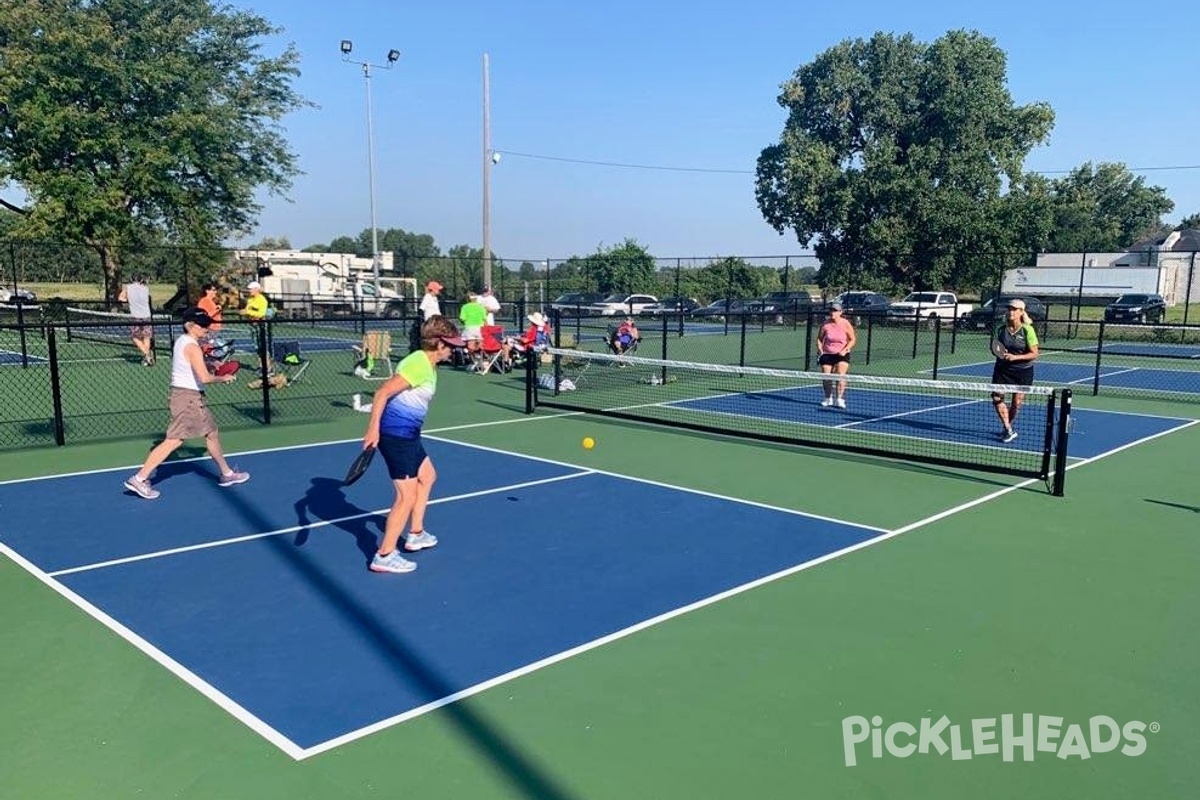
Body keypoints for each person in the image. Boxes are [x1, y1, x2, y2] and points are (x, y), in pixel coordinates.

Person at [361, 315, 465, 574]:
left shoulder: (428, 364)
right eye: (450, 344)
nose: (453, 349)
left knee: (427, 476)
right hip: (396, 437)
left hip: (409, 435)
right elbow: (382, 392)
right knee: (405, 496)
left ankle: (416, 533)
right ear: (438, 343)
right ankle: (384, 554)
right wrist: (373, 429)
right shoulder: (418, 363)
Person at [122, 307, 249, 500]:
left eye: (207, 324)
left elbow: (194, 366)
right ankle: (139, 479)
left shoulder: (183, 341)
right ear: (191, 326)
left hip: (189, 397)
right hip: (187, 399)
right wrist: (222, 377)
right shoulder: (192, 346)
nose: (207, 328)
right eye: (203, 325)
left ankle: (227, 474)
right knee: (175, 440)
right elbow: (205, 378)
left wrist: (211, 365)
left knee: (212, 433)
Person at [991, 298, 1039, 443]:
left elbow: (1034, 353)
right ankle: (1007, 428)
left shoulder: (1027, 330)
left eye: (1014, 309)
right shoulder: (1000, 328)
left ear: (1021, 312)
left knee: (1016, 403)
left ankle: (1008, 427)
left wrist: (1015, 358)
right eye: (1009, 309)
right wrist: (1000, 352)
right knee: (996, 398)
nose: (1010, 312)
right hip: (1002, 369)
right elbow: (994, 347)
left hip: (1023, 371)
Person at [816, 301, 856, 409]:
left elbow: (852, 339)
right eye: (831, 310)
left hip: (842, 353)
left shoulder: (846, 324)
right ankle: (828, 398)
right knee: (826, 376)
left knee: (840, 375)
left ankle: (840, 399)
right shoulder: (825, 324)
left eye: (835, 310)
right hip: (827, 353)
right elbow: (819, 339)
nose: (832, 312)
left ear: (840, 312)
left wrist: (846, 349)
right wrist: (820, 348)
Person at [118, 275, 155, 366]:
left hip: (136, 316)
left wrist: (128, 299)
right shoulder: (145, 288)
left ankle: (147, 354)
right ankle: (147, 357)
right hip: (146, 315)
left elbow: (120, 298)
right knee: (146, 336)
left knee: (135, 337)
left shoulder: (128, 288)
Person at [241, 280, 272, 371]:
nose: (249, 291)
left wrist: (247, 312)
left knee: (263, 347)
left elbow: (261, 313)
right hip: (252, 325)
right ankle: (261, 366)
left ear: (257, 289)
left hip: (260, 325)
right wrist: (246, 314)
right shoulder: (250, 300)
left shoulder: (262, 300)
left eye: (251, 289)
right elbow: (248, 310)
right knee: (257, 347)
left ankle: (267, 367)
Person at [458, 291, 488, 369]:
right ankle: (481, 361)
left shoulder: (465, 307)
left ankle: (473, 362)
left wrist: (465, 323)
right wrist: (486, 328)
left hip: (469, 328)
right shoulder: (481, 307)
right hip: (479, 328)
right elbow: (485, 320)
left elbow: (462, 318)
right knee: (480, 345)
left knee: (470, 346)